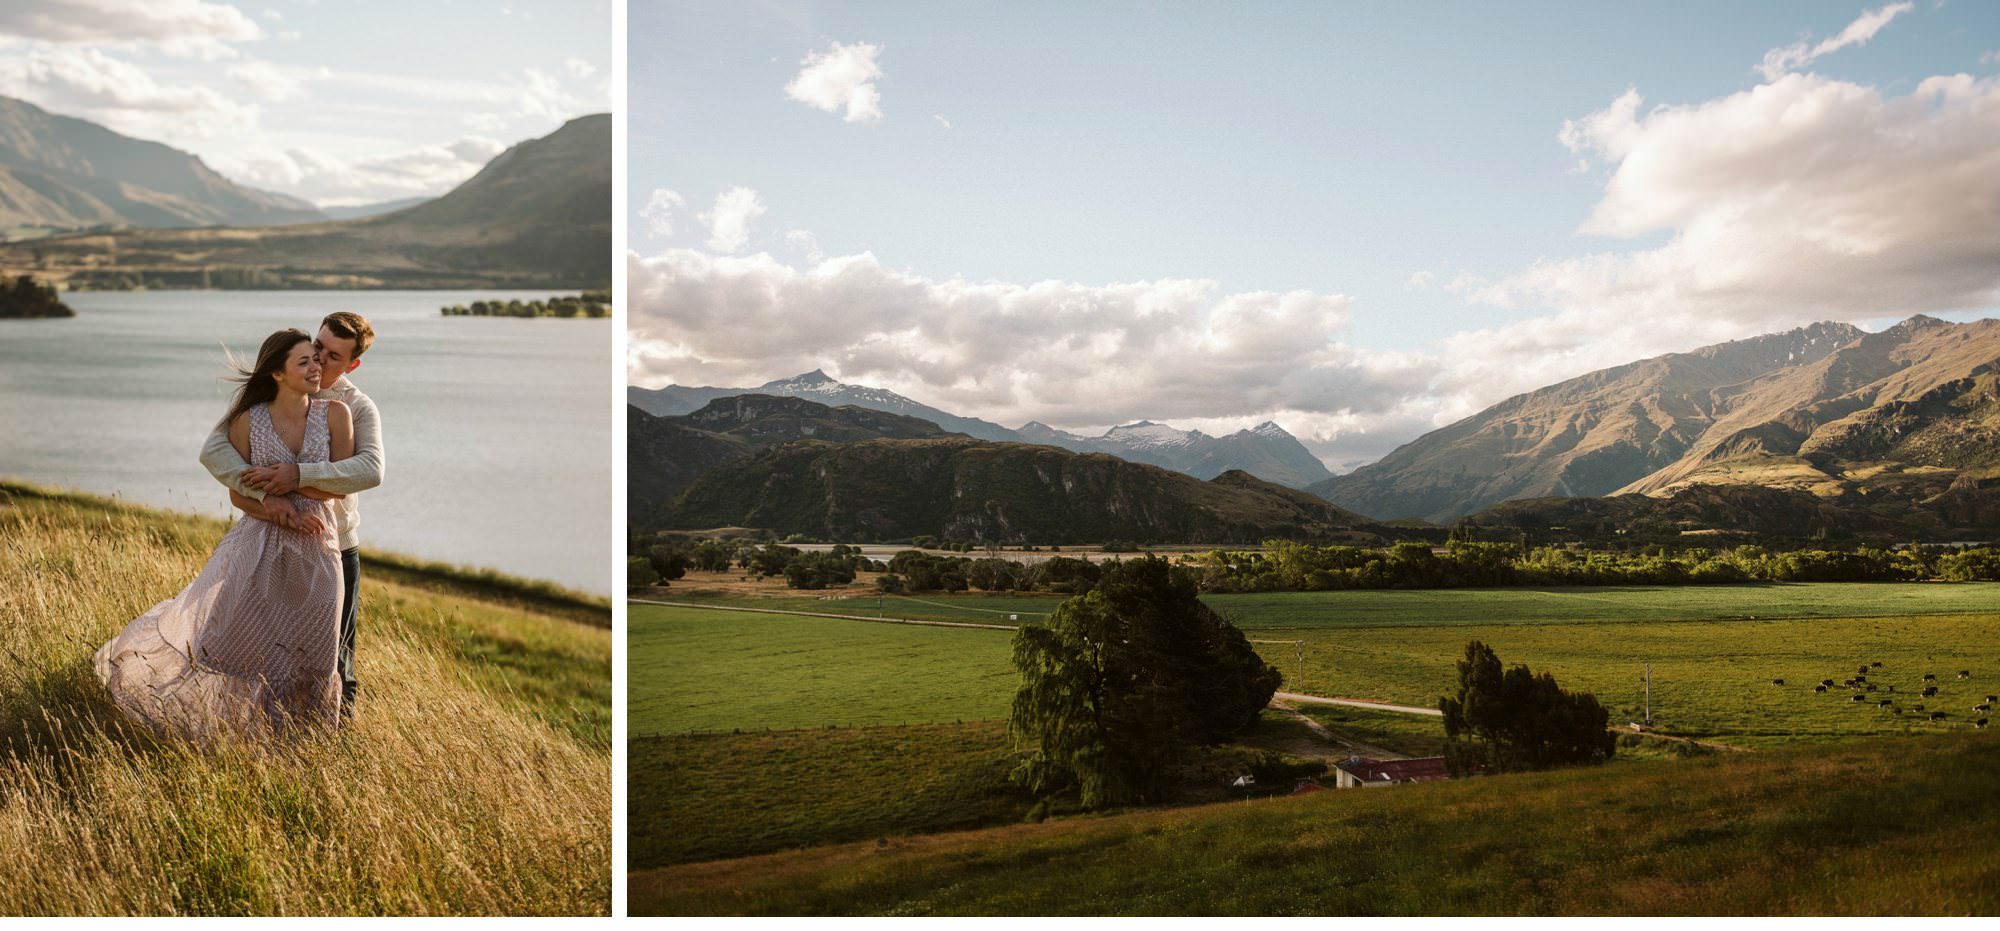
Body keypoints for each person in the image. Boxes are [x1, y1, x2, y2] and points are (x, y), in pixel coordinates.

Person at [95, 329, 354, 738]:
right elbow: (237, 494)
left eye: (317, 360)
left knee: (316, 657)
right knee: (242, 652)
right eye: (304, 361)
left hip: (319, 549)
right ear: (277, 373)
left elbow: (340, 484)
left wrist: (290, 480)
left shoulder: (337, 414)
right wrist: (279, 510)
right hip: (258, 546)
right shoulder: (248, 421)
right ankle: (243, 740)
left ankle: (309, 747)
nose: (316, 367)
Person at [201, 311, 383, 716]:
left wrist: (294, 477)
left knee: (334, 657)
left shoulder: (354, 407)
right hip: (267, 543)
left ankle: (335, 742)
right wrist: (269, 500)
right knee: (258, 650)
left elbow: (369, 470)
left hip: (331, 545)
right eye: (316, 347)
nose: (319, 359)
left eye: (333, 356)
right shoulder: (265, 400)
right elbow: (215, 451)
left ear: (352, 364)